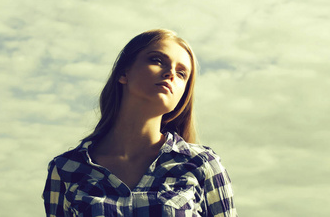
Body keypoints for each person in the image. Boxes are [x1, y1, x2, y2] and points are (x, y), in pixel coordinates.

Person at [42, 29, 238, 217]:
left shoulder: (201, 164)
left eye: (181, 73)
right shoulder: (66, 168)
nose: (170, 72)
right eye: (157, 60)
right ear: (123, 73)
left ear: (183, 93)